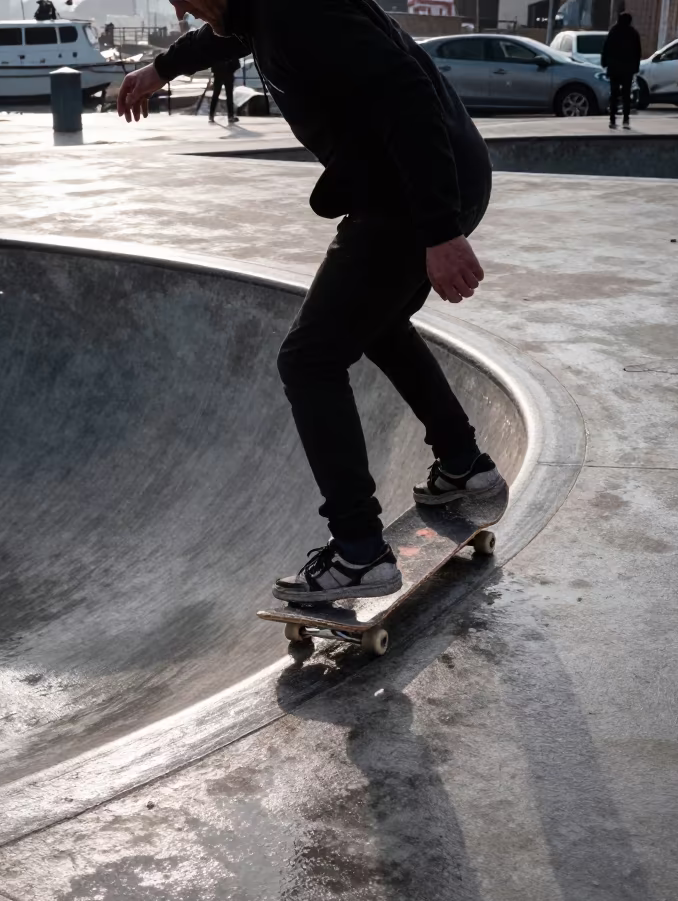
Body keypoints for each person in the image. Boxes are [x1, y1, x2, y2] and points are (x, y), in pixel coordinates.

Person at [117, 0, 504, 604]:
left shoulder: (301, 11)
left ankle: (359, 553)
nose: (177, 6)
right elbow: (228, 34)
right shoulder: (261, 12)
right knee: (376, 325)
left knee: (309, 359)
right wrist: (161, 69)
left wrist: (439, 229)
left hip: (410, 192)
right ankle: (463, 462)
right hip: (414, 183)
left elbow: (407, 92)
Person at [601, 12, 641, 129]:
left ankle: (612, 119)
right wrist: (635, 68)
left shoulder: (614, 31)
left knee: (614, 94)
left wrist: (605, 63)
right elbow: (637, 52)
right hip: (627, 69)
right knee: (626, 94)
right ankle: (626, 119)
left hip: (614, 68)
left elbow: (606, 48)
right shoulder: (633, 33)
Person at [209, 56, 240, 123]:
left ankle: (211, 116)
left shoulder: (217, 51)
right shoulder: (231, 51)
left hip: (219, 75)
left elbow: (212, 63)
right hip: (227, 75)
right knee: (229, 96)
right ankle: (230, 116)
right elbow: (236, 64)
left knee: (216, 95)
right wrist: (231, 69)